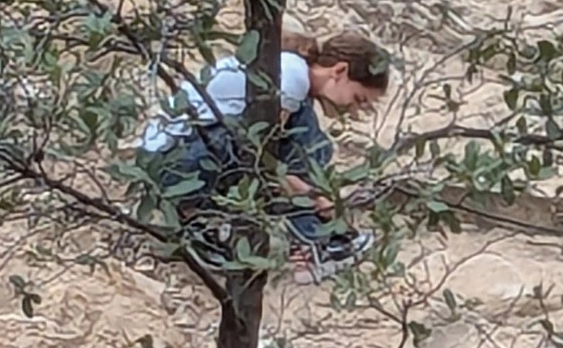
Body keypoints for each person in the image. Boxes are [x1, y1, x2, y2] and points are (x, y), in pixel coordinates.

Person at [138, 31, 391, 266]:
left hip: (184, 154)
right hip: (172, 162)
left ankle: (318, 237)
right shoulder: (291, 77)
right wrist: (313, 197)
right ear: (340, 71)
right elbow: (263, 159)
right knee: (254, 152)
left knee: (311, 140)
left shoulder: (294, 78)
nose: (354, 110)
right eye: (358, 99)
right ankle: (192, 218)